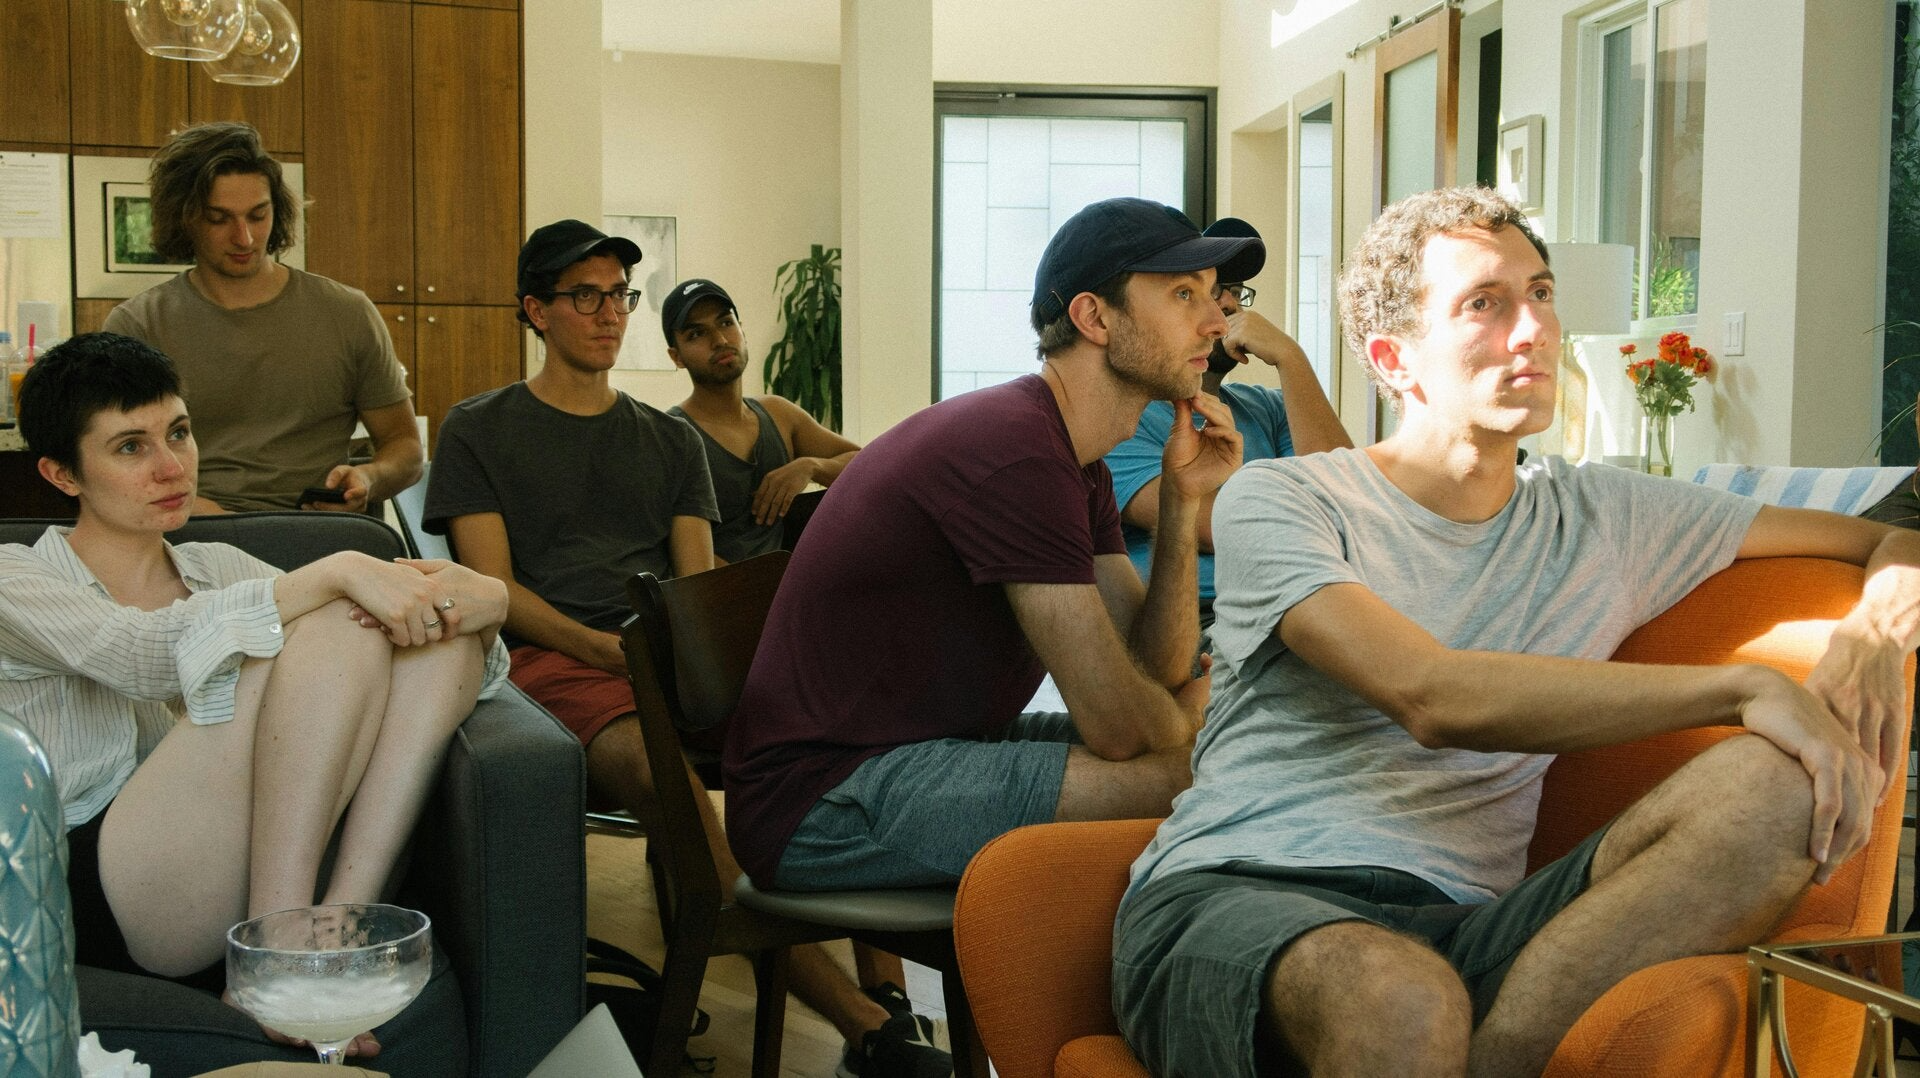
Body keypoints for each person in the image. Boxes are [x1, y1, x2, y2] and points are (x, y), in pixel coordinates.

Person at [1111, 186, 1920, 1078]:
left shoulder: (1607, 514)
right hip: (1239, 896)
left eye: (1540, 293)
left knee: (1780, 784)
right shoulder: (1286, 498)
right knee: (1404, 1001)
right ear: (1395, 359)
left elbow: (1894, 534)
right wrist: (1747, 687)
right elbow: (1430, 696)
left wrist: (1878, 629)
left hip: (1476, 928)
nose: (1533, 329)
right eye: (1484, 304)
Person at [425, 220, 947, 1078]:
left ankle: (887, 990)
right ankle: (862, 1028)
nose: (608, 314)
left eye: (618, 296)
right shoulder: (479, 428)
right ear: (536, 311)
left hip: (661, 653)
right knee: (658, 771)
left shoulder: (670, 441)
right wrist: (605, 650)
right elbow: (497, 591)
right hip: (554, 661)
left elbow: (698, 589)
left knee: (846, 741)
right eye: (584, 296)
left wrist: (722, 660)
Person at [725, 197, 1257, 901]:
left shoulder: (1077, 461)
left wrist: (1182, 503)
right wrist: (1187, 713)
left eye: (1215, 295)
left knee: (1223, 758)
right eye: (1185, 294)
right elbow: (1124, 728)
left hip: (934, 747)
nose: (1217, 321)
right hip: (822, 798)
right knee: (1197, 775)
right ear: (1094, 318)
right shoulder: (1016, 452)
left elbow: (1153, 666)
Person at [0, 333, 509, 1056]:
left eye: (179, 432)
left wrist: (487, 603)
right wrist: (335, 572)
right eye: (130, 447)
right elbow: (144, 656)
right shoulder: (15, 578)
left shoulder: (219, 568)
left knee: (424, 635)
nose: (171, 466)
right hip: (110, 890)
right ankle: (272, 961)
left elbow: (463, 672)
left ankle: (340, 925)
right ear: (62, 474)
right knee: (328, 617)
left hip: (243, 871)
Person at [103, 122, 421, 514]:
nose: (245, 238)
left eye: (258, 215)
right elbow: (114, 459)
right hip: (189, 530)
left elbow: (405, 448)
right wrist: (193, 511)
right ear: (185, 218)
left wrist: (369, 479)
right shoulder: (138, 325)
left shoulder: (347, 313)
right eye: (219, 219)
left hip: (317, 531)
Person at [1105, 217, 1351, 622]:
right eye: (1207, 292)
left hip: (1299, 600)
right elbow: (1221, 530)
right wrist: (1317, 525)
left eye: (1235, 292)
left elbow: (1347, 503)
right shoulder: (1128, 420)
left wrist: (1290, 359)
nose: (1229, 306)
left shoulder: (1269, 408)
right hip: (1201, 619)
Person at [665, 278, 862, 563]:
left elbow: (865, 464)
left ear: (742, 329)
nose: (720, 340)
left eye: (726, 323)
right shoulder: (671, 434)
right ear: (676, 356)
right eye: (697, 333)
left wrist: (811, 466)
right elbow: (675, 555)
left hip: (789, 581)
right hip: (723, 587)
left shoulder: (779, 414)